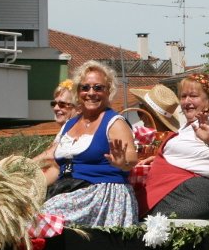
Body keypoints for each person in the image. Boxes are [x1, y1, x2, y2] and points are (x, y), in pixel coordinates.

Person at [41, 60, 139, 227]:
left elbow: (131, 157)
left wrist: (123, 163)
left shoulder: (114, 122)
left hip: (100, 193)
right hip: (68, 189)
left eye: (98, 88)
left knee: (41, 219)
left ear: (109, 91)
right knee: (22, 212)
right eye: (85, 87)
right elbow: (53, 164)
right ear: (78, 92)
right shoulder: (69, 125)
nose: (91, 93)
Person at [141, 74, 209, 219]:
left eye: (193, 96)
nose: (187, 101)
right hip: (173, 190)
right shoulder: (182, 129)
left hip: (194, 193)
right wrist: (159, 160)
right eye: (183, 97)